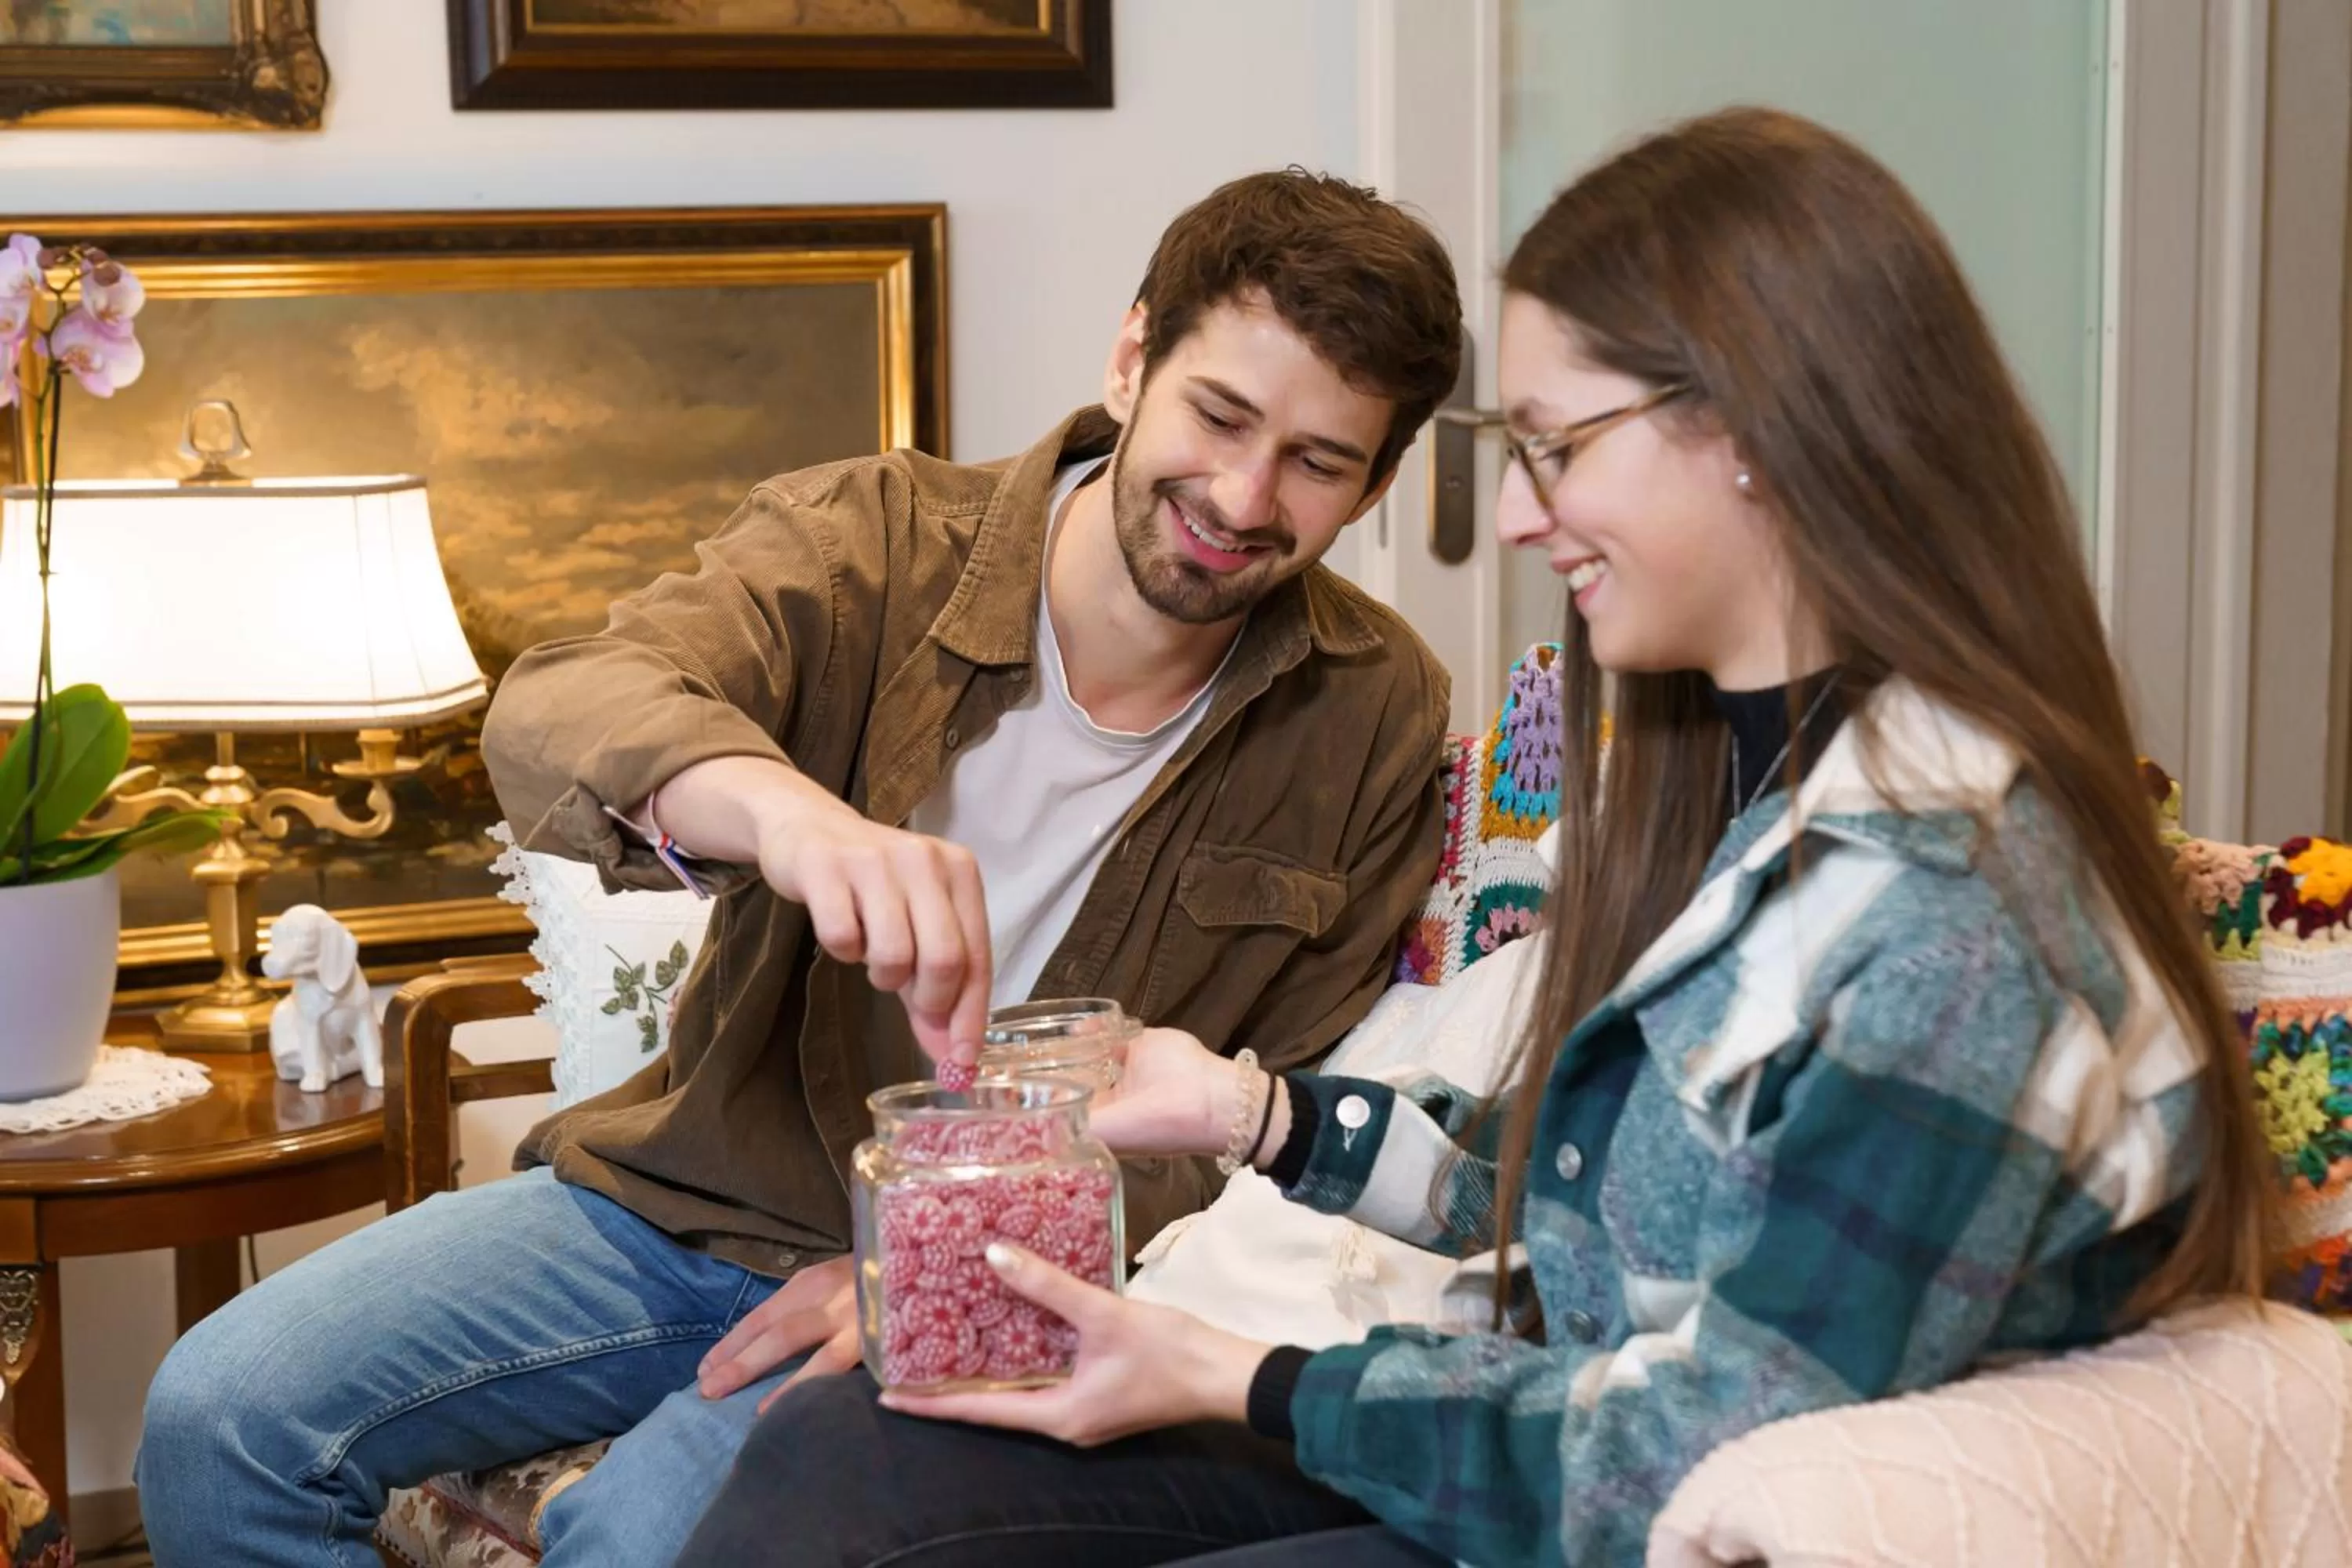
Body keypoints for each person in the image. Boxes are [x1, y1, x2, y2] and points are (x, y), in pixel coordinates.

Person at [677, 106, 2282, 1568]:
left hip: (1637, 1504)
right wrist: (1256, 1114)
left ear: (1759, 429)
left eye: (1557, 449)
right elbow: (1592, 1202)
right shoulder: (1738, 778)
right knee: (855, 1449)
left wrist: (1237, 1375)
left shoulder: (1951, 913)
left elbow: (1714, 1450)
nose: (1515, 518)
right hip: (1548, 1423)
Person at [134, 169, 1463, 1568]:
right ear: (1133, 359)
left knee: (636, 1551)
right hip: (680, 1203)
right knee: (217, 1420)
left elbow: (1266, 1119)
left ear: (1373, 482)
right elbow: (562, 707)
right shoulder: (867, 543)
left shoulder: (1375, 711)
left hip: (991, 1280)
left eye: (1318, 462)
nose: (1244, 497)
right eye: (1221, 415)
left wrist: (935, 1261)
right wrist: (788, 817)